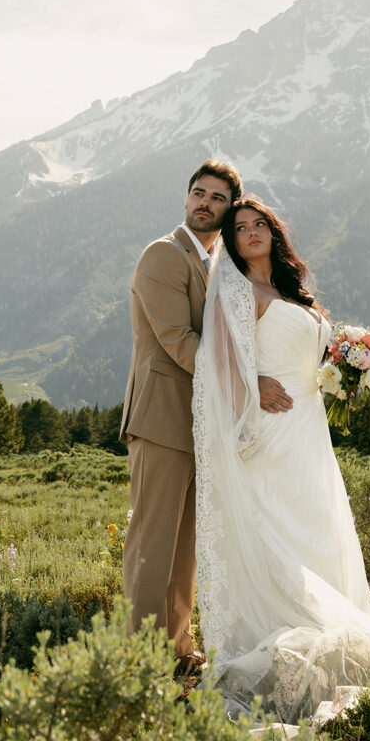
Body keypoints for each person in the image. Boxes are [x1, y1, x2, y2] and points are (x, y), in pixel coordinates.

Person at [192, 197, 370, 720]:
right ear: (231, 241)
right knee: (281, 531)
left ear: (273, 231)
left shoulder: (290, 291)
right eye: (240, 228)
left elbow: (310, 355)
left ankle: (330, 640)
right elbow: (218, 357)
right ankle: (280, 637)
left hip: (311, 429)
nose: (250, 233)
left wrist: (355, 366)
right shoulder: (238, 289)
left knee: (318, 527)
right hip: (273, 425)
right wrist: (255, 384)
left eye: (259, 225)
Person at [120, 162, 291, 675]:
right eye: (198, 193)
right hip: (161, 418)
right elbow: (179, 341)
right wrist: (249, 382)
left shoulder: (219, 263)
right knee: (153, 542)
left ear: (228, 208)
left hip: (202, 421)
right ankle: (138, 661)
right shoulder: (163, 257)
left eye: (217, 198)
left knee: (187, 547)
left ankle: (176, 648)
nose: (204, 203)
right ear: (186, 196)